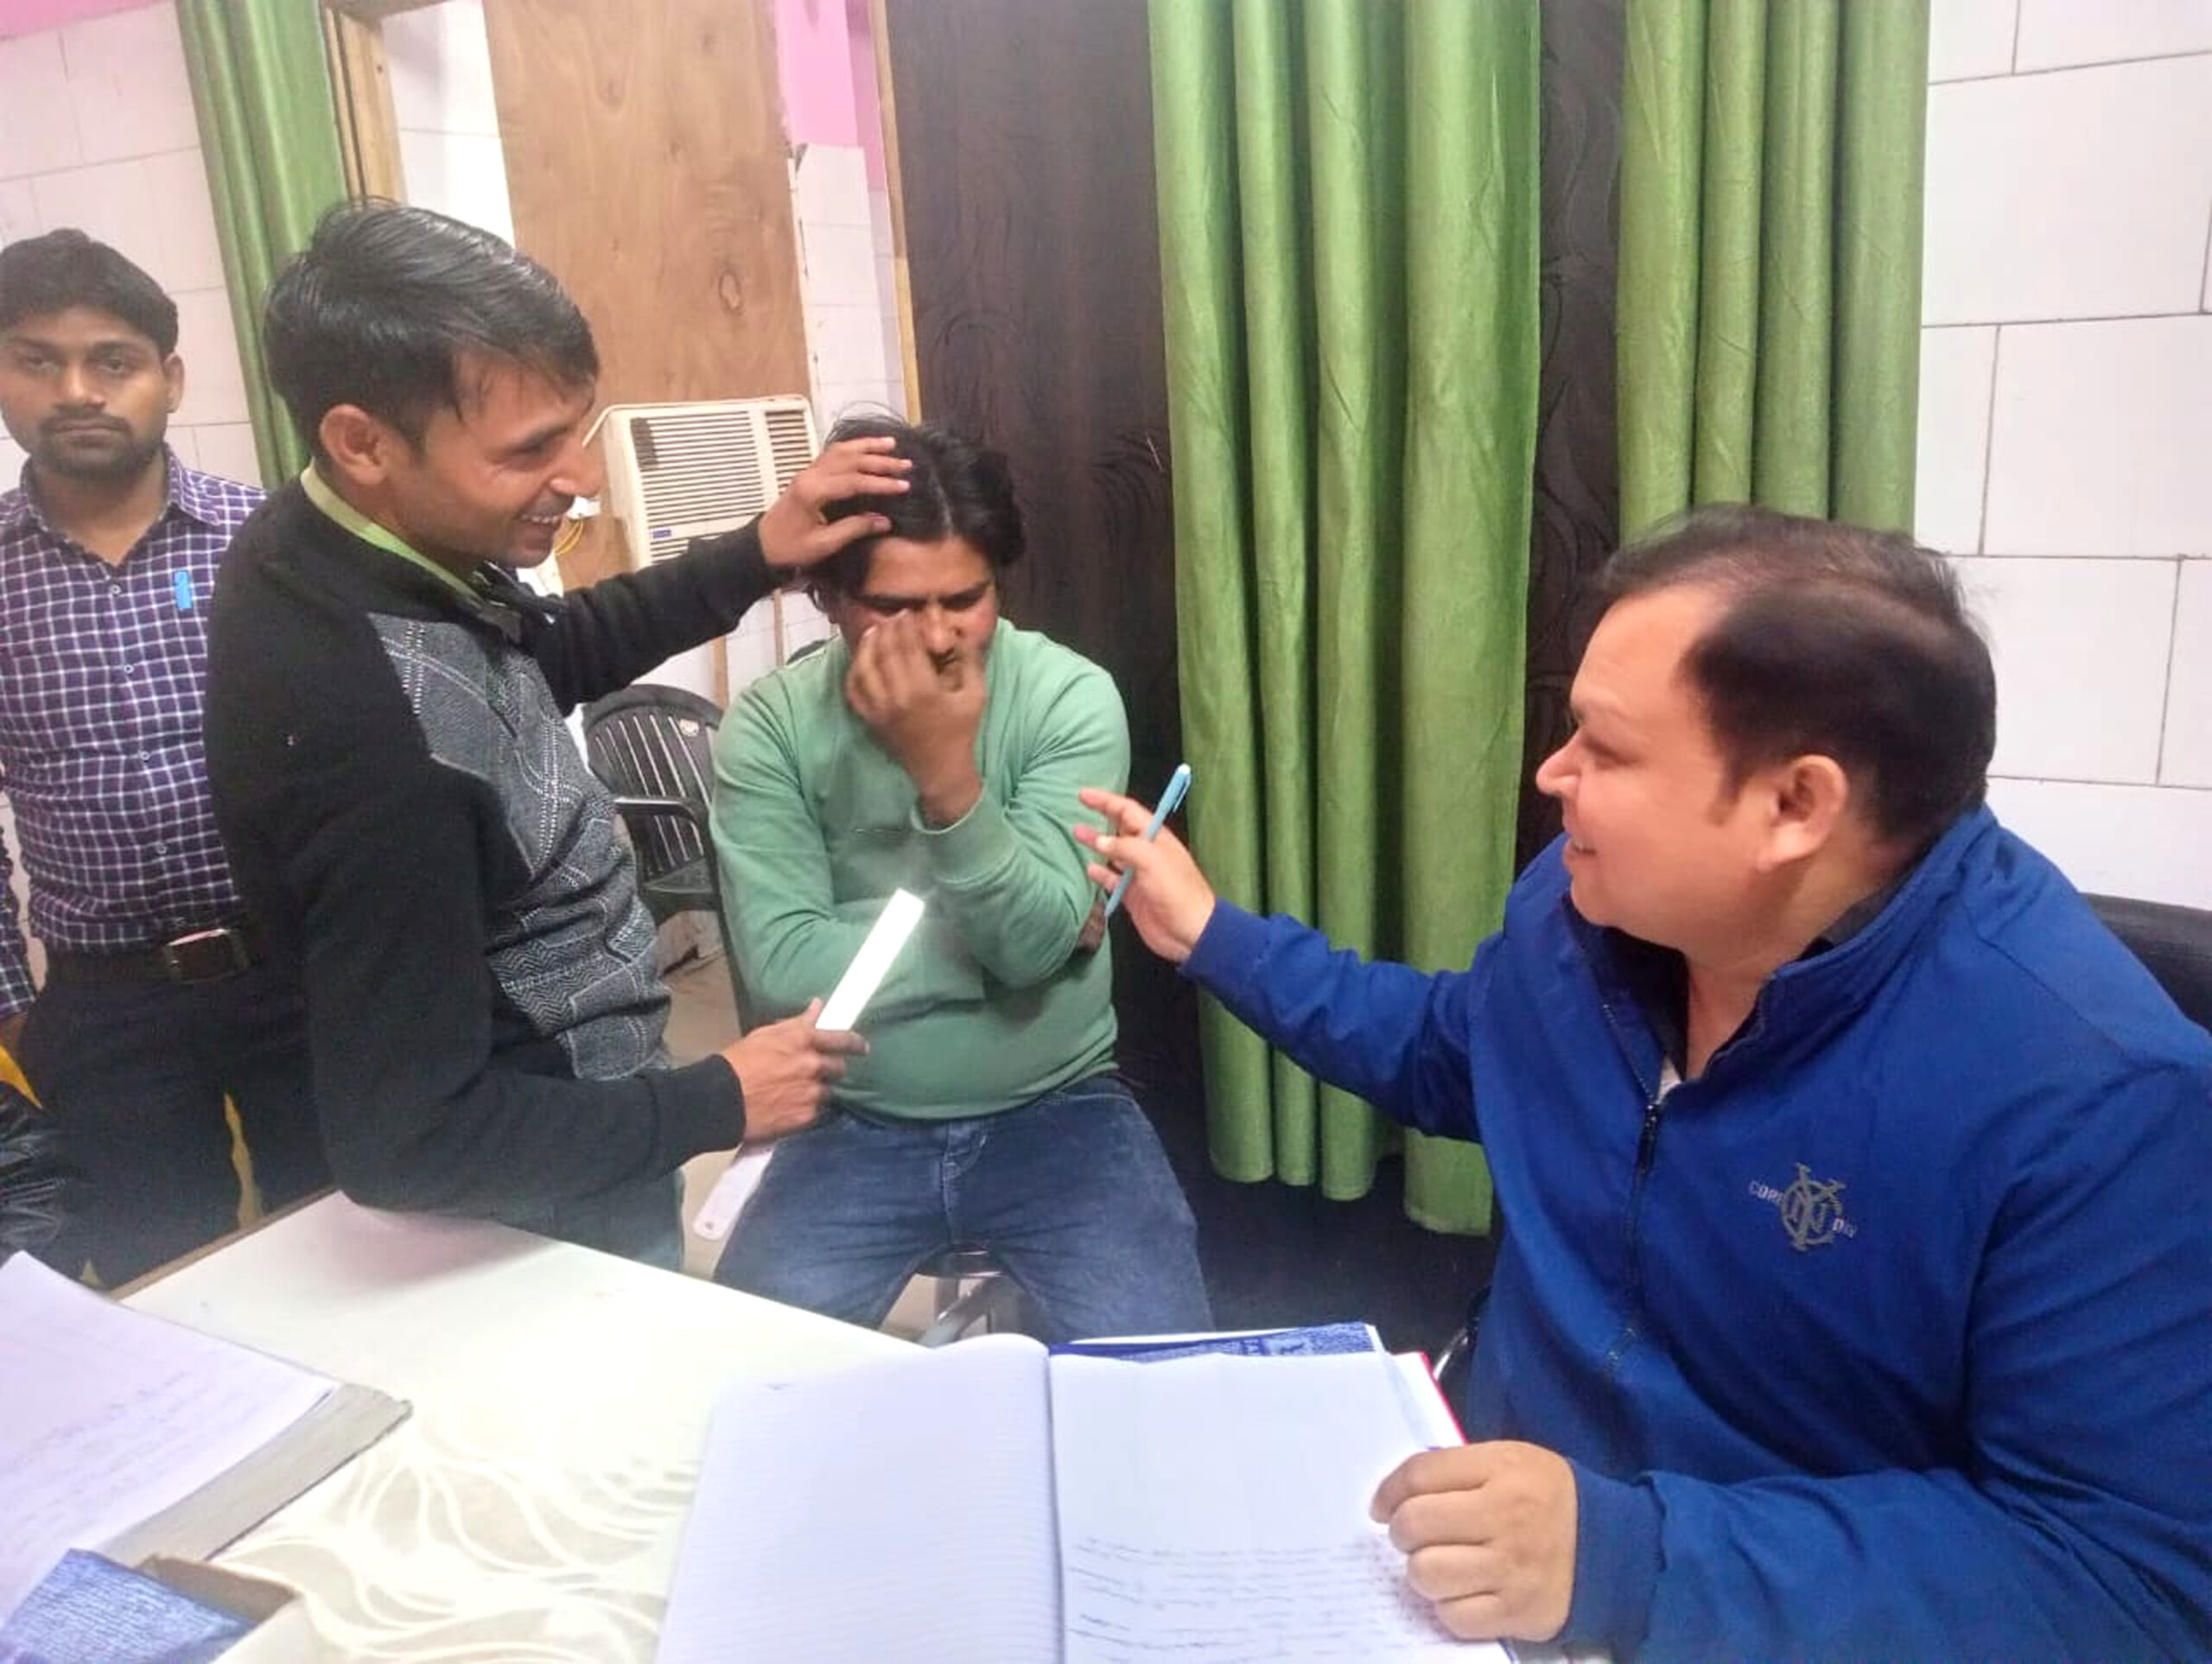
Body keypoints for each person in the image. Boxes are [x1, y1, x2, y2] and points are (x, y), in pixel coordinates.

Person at [1077, 507, 2212, 1659]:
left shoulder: (2098, 1099)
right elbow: (1455, 1051)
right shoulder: (1584, 909)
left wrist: (1629, 1558)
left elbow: (2127, 1579)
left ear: (1795, 805)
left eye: (1605, 749)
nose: (1553, 772)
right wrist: (1214, 936)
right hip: (1476, 1560)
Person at [203, 203, 903, 1265]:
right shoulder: (366, 728)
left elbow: (535, 659)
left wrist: (758, 550)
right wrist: (716, 1099)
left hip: (573, 1139)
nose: (581, 477)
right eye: (531, 449)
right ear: (364, 442)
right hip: (522, 1211)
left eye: (576, 426)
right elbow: (412, 1139)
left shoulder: (353, 542)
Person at [708, 415, 1211, 1341]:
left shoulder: (1067, 695)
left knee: (1165, 1375)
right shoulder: (771, 727)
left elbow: (1032, 939)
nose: (940, 638)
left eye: (966, 599)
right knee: (740, 1375)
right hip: (851, 1114)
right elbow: (782, 967)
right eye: (895, 606)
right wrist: (1012, 943)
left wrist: (946, 777)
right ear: (829, 597)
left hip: (1059, 1105)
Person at [0, 228, 326, 1285]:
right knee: (158, 1278)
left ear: (170, 379)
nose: (78, 391)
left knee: (351, 1236)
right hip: (103, 1007)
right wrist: (13, 1011)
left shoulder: (270, 540)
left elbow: (353, 755)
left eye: (114, 361)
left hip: (295, 973)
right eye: (39, 361)